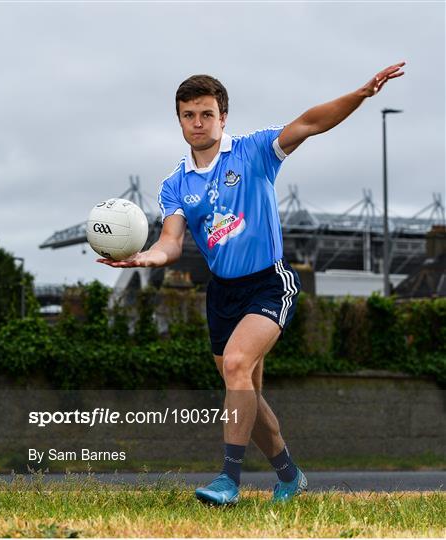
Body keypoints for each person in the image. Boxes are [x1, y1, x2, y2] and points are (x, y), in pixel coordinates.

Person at [98, 62, 405, 504]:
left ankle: (228, 480)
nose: (197, 123)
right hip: (223, 294)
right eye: (188, 115)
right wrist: (145, 256)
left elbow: (310, 122)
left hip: (268, 283)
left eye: (206, 114)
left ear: (223, 117)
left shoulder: (255, 151)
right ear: (179, 120)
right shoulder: (175, 184)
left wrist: (361, 94)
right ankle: (289, 474)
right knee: (249, 395)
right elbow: (170, 241)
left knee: (238, 365)